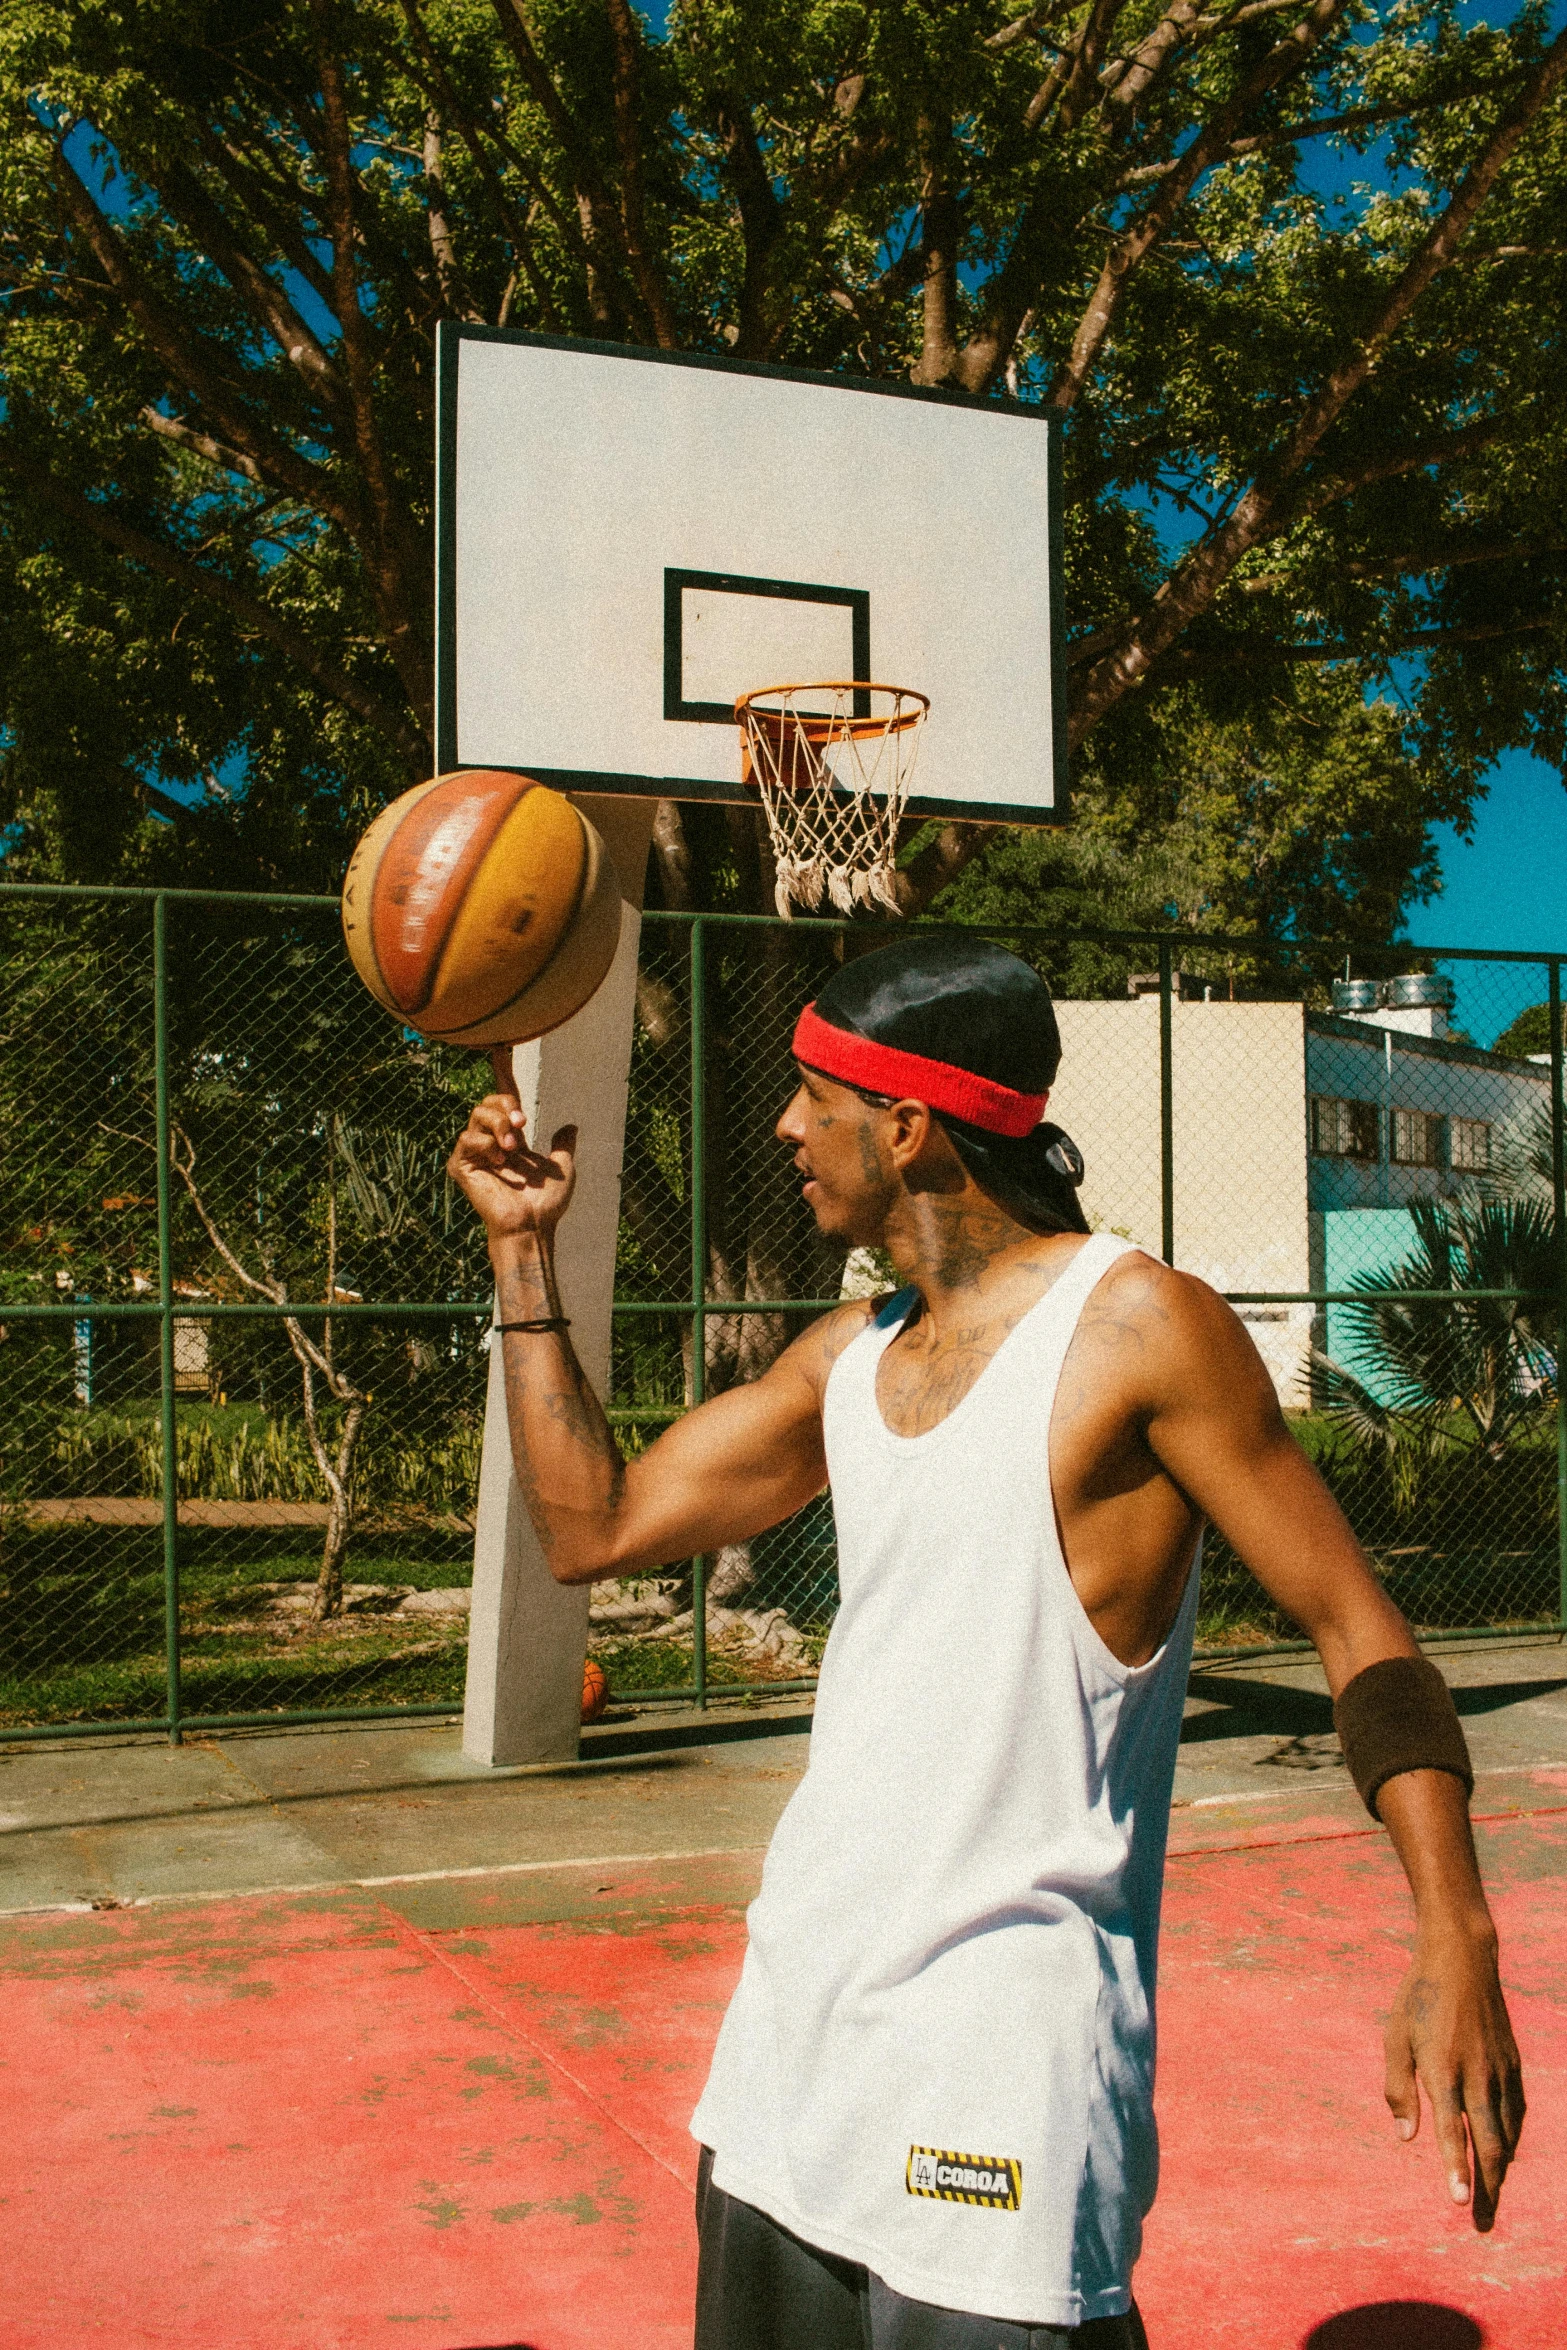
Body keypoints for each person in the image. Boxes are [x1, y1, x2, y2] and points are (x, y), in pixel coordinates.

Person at [447, 933, 1524, 2350]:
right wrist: (521, 1252)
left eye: (810, 1095)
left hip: (1000, 2062)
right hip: (794, 2044)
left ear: (903, 1123)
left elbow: (1356, 1628)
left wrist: (1455, 1933)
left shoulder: (1138, 1328)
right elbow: (591, 1522)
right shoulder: (848, 1357)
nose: (782, 1127)